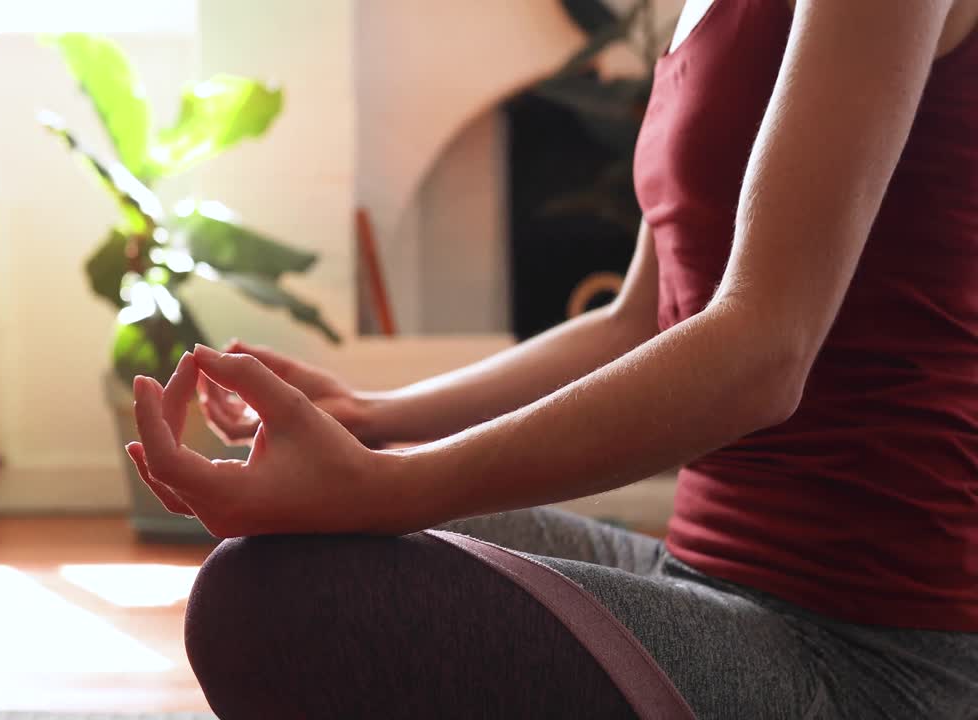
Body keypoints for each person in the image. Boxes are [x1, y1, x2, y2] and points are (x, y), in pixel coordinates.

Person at [125, 0, 978, 716]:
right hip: (697, 569)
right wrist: (371, 416)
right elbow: (635, 322)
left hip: (874, 651)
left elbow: (765, 350)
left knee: (271, 605)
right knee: (293, 553)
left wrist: (387, 485)